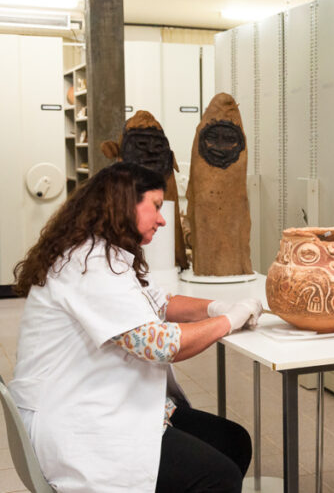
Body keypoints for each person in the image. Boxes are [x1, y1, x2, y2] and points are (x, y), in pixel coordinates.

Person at [10, 162, 262, 493]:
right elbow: (159, 345)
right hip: (82, 421)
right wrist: (228, 320)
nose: (162, 219)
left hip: (106, 400)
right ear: (124, 205)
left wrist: (216, 306)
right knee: (219, 477)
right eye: (156, 207)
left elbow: (161, 303)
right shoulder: (89, 265)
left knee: (233, 442)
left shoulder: (107, 254)